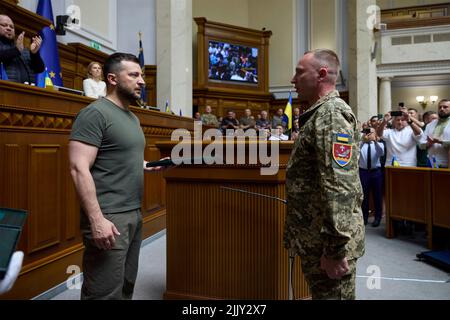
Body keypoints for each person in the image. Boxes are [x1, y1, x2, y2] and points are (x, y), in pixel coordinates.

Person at [69, 52, 166, 300]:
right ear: (112, 78)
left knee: (125, 286)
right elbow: (79, 168)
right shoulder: (95, 113)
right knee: (103, 292)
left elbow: (119, 156)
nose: (141, 81)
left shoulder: (132, 117)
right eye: (134, 75)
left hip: (133, 212)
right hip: (109, 215)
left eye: (141, 75)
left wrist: (148, 164)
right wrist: (97, 220)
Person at [284, 49, 365, 300]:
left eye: (299, 72)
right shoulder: (319, 113)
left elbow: (340, 186)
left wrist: (334, 250)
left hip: (327, 245)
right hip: (316, 238)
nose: (292, 80)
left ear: (321, 74)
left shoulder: (330, 115)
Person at [0, 14, 44, 84]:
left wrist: (34, 53)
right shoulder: (18, 48)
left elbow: (40, 69)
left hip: (27, 91)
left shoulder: (21, 48)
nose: (9, 28)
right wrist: (16, 51)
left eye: (12, 27)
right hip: (5, 91)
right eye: (4, 25)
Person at [359, 128, 385, 227]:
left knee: (377, 195)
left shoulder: (379, 144)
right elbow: (356, 150)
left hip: (376, 172)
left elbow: (381, 152)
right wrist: (362, 140)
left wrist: (374, 141)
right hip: (363, 172)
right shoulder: (361, 144)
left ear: (375, 134)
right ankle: (364, 217)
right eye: (367, 132)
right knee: (364, 196)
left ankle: (377, 217)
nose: (369, 134)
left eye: (371, 132)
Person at [419, 99, 450, 168]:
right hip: (430, 164)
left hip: (447, 164)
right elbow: (420, 145)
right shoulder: (430, 125)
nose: (442, 109)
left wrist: (440, 142)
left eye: (445, 107)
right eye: (440, 107)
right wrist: (428, 143)